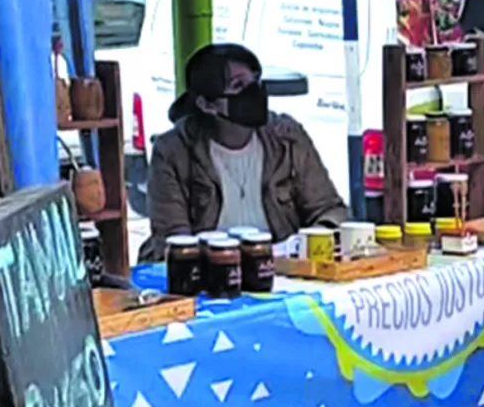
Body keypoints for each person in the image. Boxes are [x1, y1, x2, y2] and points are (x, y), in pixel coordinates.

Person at [142, 43, 347, 260]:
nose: (253, 92)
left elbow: (330, 210)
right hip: (208, 276)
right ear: (207, 105)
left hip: (284, 272)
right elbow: (173, 240)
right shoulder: (173, 151)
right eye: (238, 85)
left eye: (255, 81)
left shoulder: (287, 139)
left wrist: (306, 244)